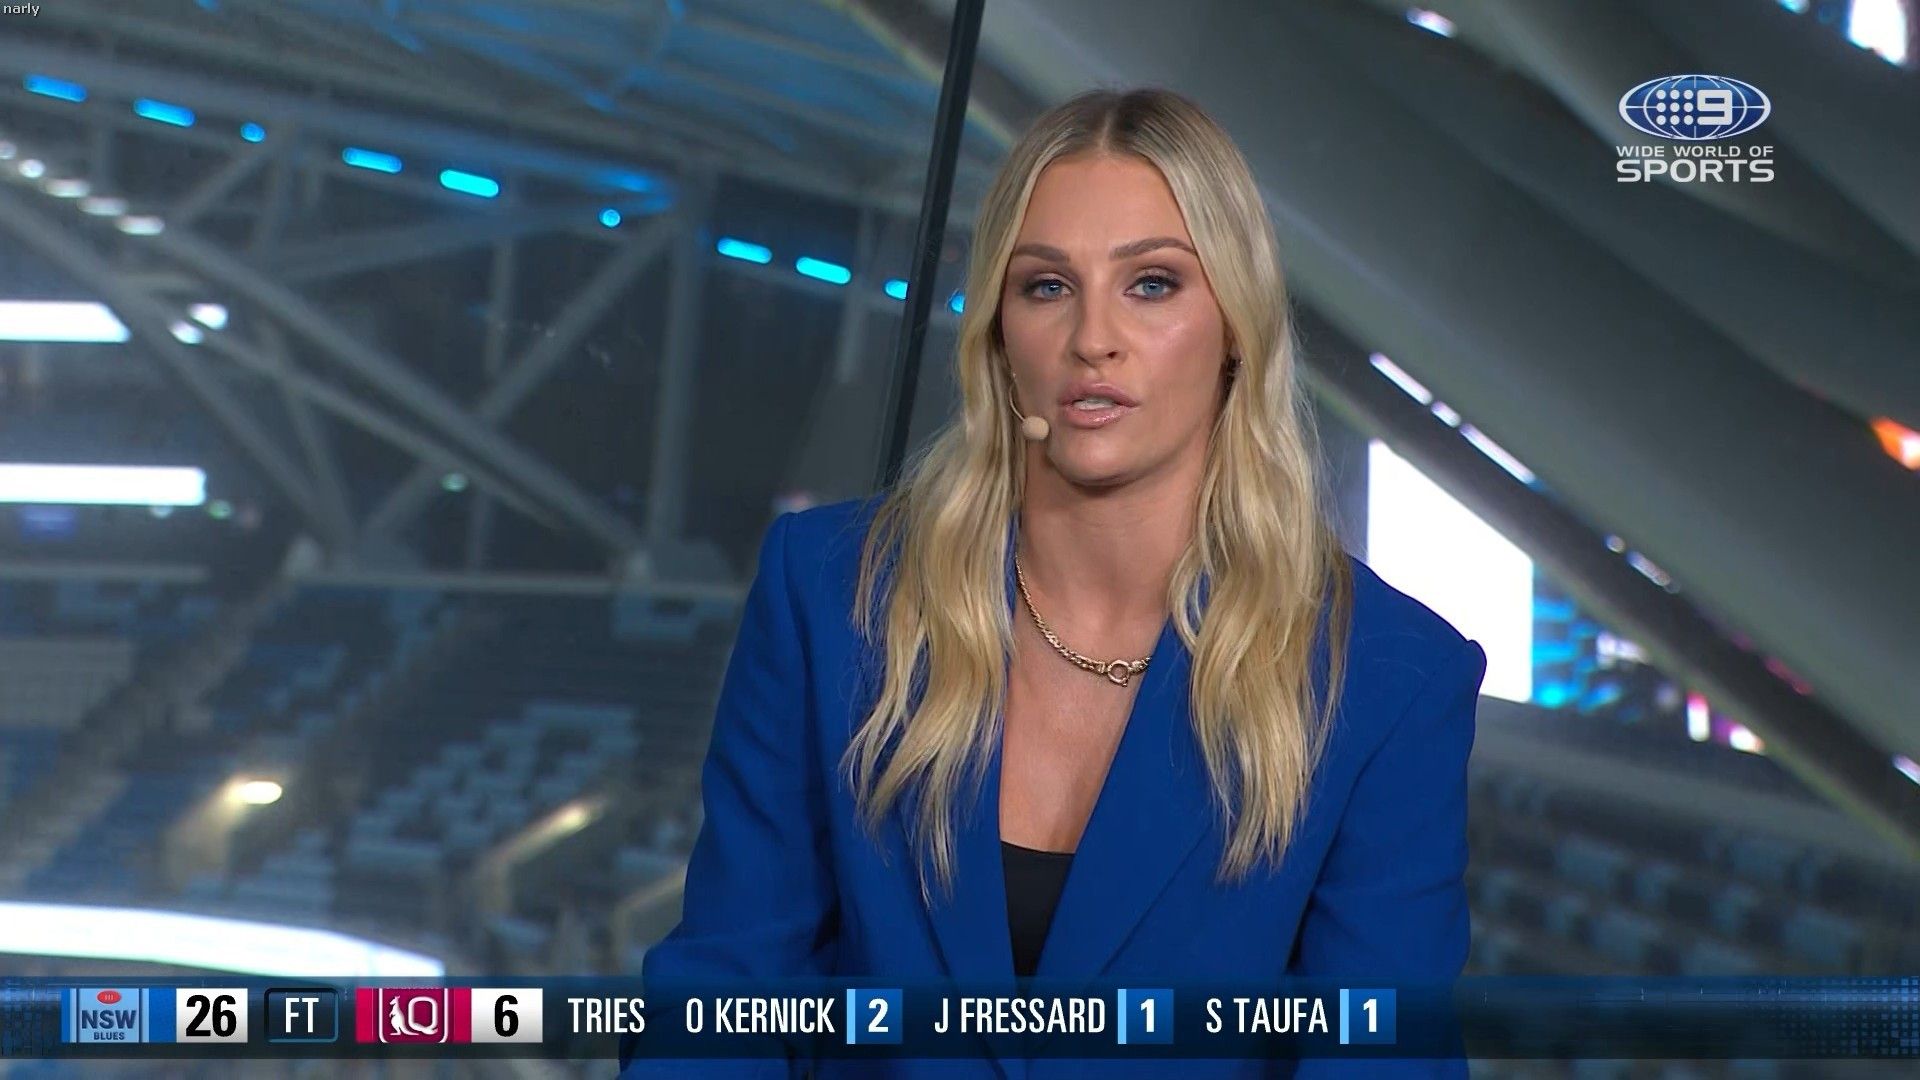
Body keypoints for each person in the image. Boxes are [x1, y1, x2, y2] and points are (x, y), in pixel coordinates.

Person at [622, 87, 1487, 1079]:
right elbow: (724, 1000)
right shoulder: (827, 594)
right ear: (999, 333)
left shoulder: (1390, 681)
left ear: (1235, 326)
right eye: (1046, 287)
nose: (1092, 338)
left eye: (1152, 283)